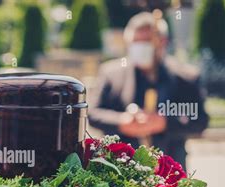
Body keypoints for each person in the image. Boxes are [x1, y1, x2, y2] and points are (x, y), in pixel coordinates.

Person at [88, 11, 209, 170]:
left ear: (162, 41)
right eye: (135, 42)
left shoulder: (186, 77)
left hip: (170, 168)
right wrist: (121, 121)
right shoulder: (111, 73)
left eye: (145, 41)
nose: (139, 47)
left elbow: (200, 120)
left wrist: (165, 122)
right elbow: (93, 113)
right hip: (120, 170)